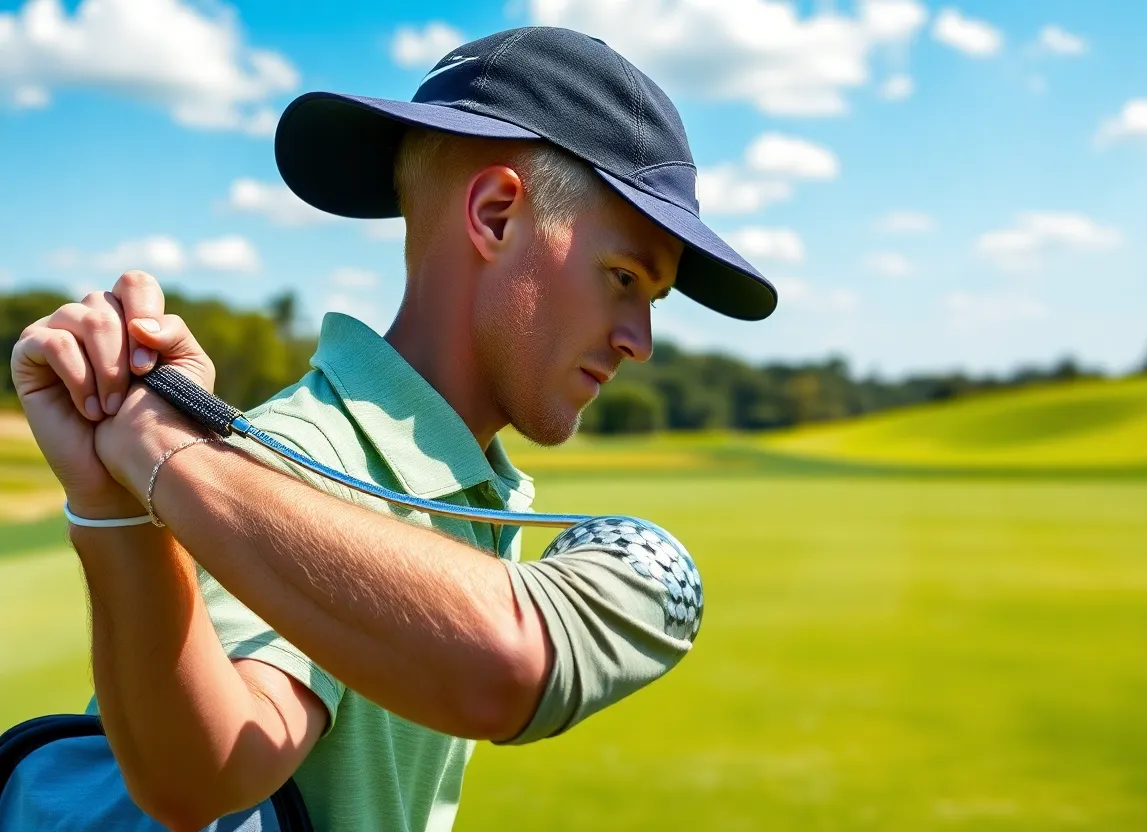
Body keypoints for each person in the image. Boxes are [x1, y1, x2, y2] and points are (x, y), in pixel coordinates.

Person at [10, 26, 776, 832]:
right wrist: (140, 469)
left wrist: (148, 456)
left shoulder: (447, 471)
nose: (639, 341)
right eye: (624, 278)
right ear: (496, 214)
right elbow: (202, 775)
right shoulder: (307, 458)